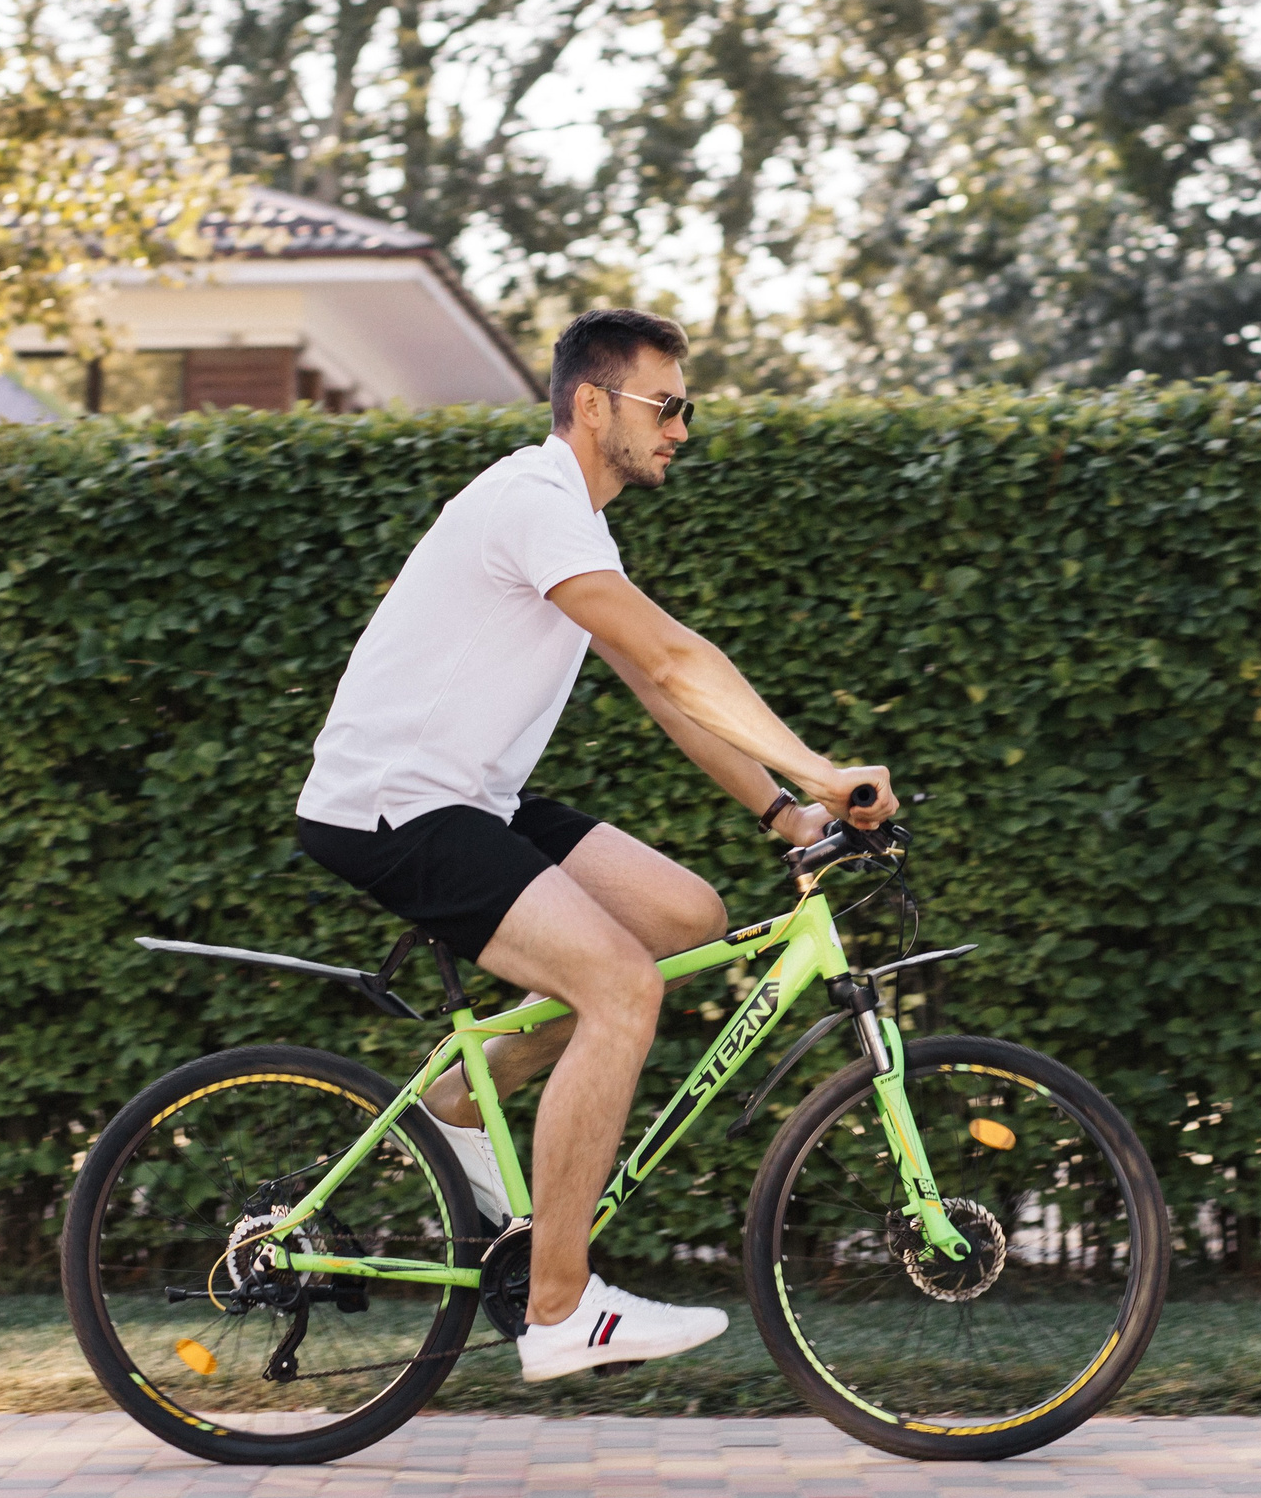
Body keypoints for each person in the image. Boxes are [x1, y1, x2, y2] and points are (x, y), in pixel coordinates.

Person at [294, 307, 900, 1381]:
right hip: (393, 801)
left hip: (471, 794)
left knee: (685, 918)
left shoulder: (577, 526)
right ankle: (559, 1309)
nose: (680, 427)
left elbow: (663, 696)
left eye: (685, 408)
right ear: (590, 404)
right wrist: (819, 769)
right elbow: (674, 661)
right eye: (663, 405)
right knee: (622, 990)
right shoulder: (534, 502)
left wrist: (786, 816)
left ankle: (451, 1110)